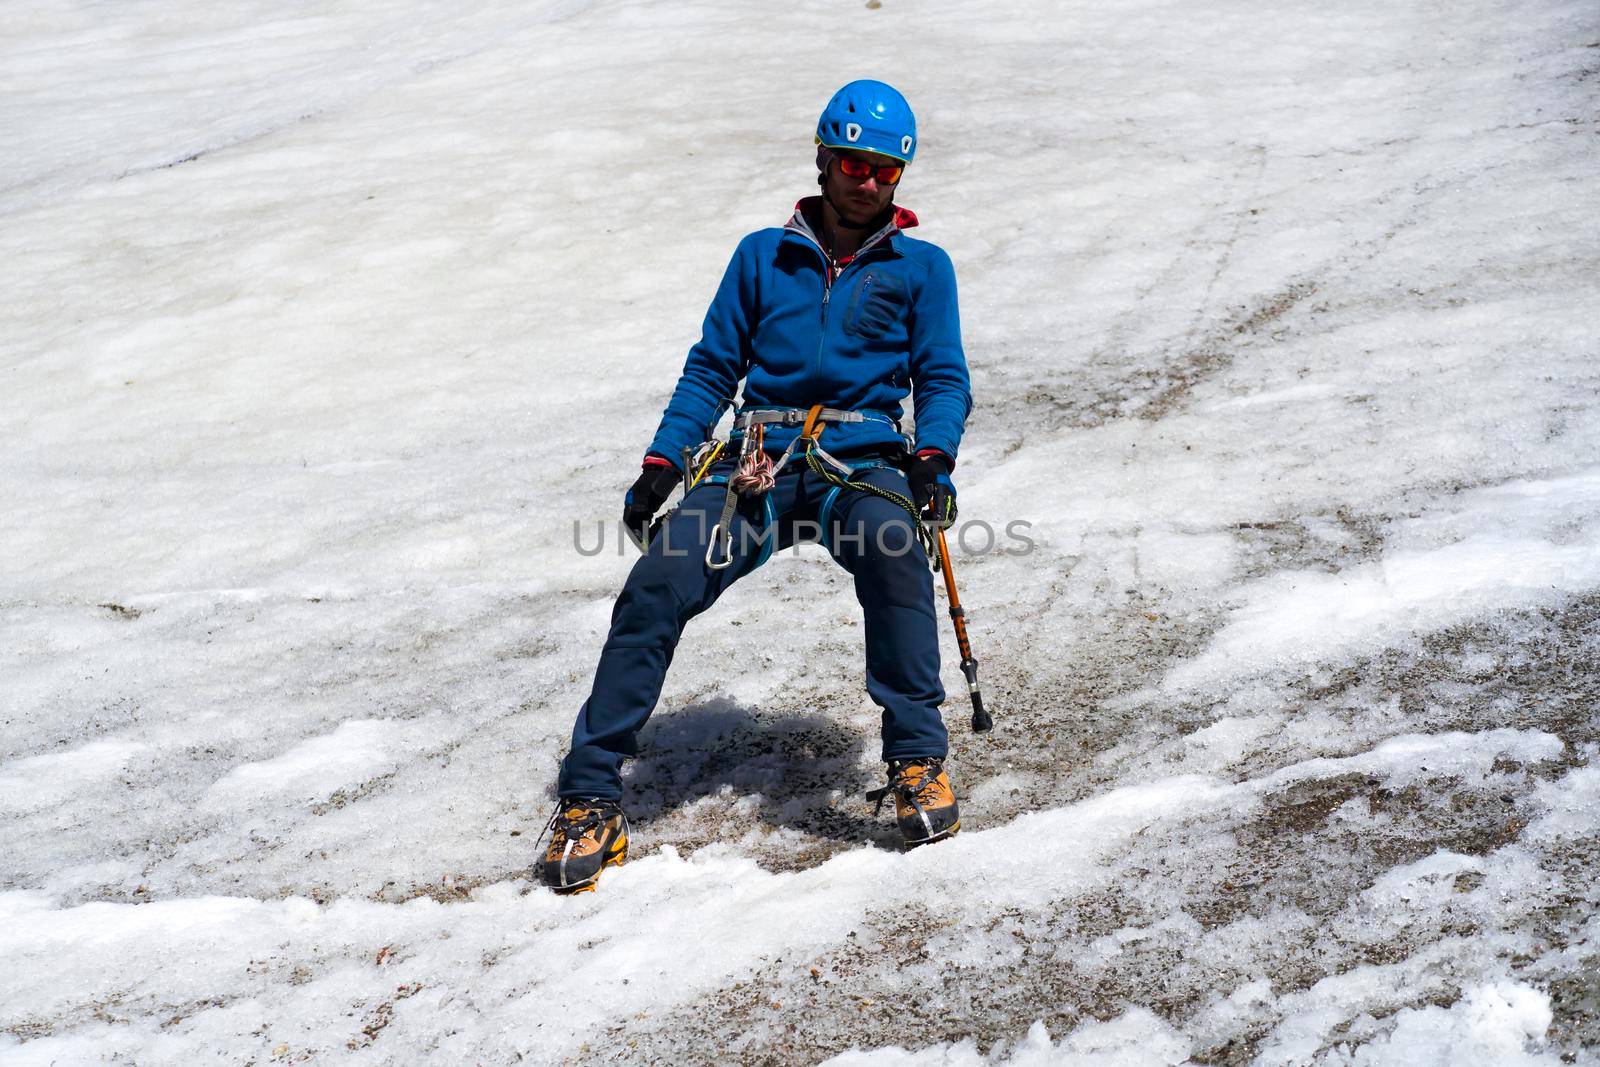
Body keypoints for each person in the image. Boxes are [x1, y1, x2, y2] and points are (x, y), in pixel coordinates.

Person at [538, 80, 973, 894]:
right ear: (821, 157)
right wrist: (665, 462)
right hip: (759, 460)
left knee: (894, 555)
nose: (865, 179)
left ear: (901, 176)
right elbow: (712, 368)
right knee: (659, 579)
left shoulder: (923, 269)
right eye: (851, 160)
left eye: (884, 167)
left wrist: (933, 459)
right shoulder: (759, 256)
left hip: (861, 457)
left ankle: (918, 758)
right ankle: (589, 795)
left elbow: (942, 379)